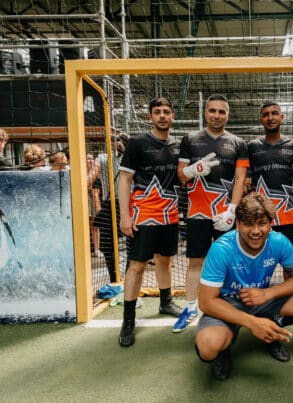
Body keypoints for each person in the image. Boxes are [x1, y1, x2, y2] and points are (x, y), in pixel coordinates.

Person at [194, 193, 293, 381]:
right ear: (238, 224)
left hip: (261, 300)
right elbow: (205, 302)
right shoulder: (221, 248)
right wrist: (252, 323)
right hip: (227, 304)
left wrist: (267, 293)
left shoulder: (278, 241)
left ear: (270, 224)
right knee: (208, 348)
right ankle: (225, 347)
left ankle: (272, 328)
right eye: (248, 224)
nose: (255, 231)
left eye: (262, 223)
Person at [175, 94, 249, 333]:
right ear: (205, 112)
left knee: (230, 262)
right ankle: (190, 307)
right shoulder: (190, 139)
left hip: (224, 215)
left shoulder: (238, 143)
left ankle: (230, 307)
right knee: (195, 261)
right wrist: (191, 170)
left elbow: (240, 179)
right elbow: (180, 175)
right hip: (197, 214)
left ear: (228, 114)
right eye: (212, 110)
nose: (217, 115)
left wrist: (232, 210)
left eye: (222, 111)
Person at [117, 97, 184, 347]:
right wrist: (125, 215)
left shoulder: (178, 146)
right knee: (137, 265)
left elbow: (183, 176)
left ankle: (166, 302)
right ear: (151, 117)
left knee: (165, 260)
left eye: (167, 111)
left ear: (173, 116)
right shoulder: (137, 143)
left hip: (169, 214)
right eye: (157, 112)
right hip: (143, 215)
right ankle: (128, 320)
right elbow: (125, 179)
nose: (162, 116)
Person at [247, 101, 293, 250]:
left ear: (282, 117)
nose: (270, 118)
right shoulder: (252, 147)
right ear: (261, 120)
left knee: (292, 260)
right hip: (261, 216)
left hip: (288, 213)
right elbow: (244, 178)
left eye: (274, 113)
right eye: (266, 115)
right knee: (260, 258)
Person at [94, 135, 126, 283]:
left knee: (126, 245)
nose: (117, 143)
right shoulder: (103, 158)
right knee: (108, 245)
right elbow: (92, 174)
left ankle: (122, 279)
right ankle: (116, 279)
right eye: (115, 140)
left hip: (125, 203)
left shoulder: (132, 157)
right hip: (113, 203)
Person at [86, 153, 102, 257]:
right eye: (88, 159)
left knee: (95, 226)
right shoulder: (81, 175)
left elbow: (96, 192)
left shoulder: (97, 176)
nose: (91, 161)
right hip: (85, 202)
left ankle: (96, 250)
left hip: (93, 202)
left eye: (92, 158)